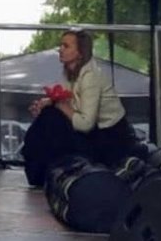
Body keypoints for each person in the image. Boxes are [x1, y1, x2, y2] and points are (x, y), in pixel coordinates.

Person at [21, 29, 149, 187]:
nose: (60, 49)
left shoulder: (90, 77)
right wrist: (50, 103)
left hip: (108, 139)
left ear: (80, 53)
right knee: (49, 115)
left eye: (66, 46)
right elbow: (68, 102)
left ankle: (40, 171)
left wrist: (58, 105)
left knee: (51, 118)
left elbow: (85, 124)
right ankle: (41, 171)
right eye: (61, 45)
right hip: (93, 133)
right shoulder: (70, 73)